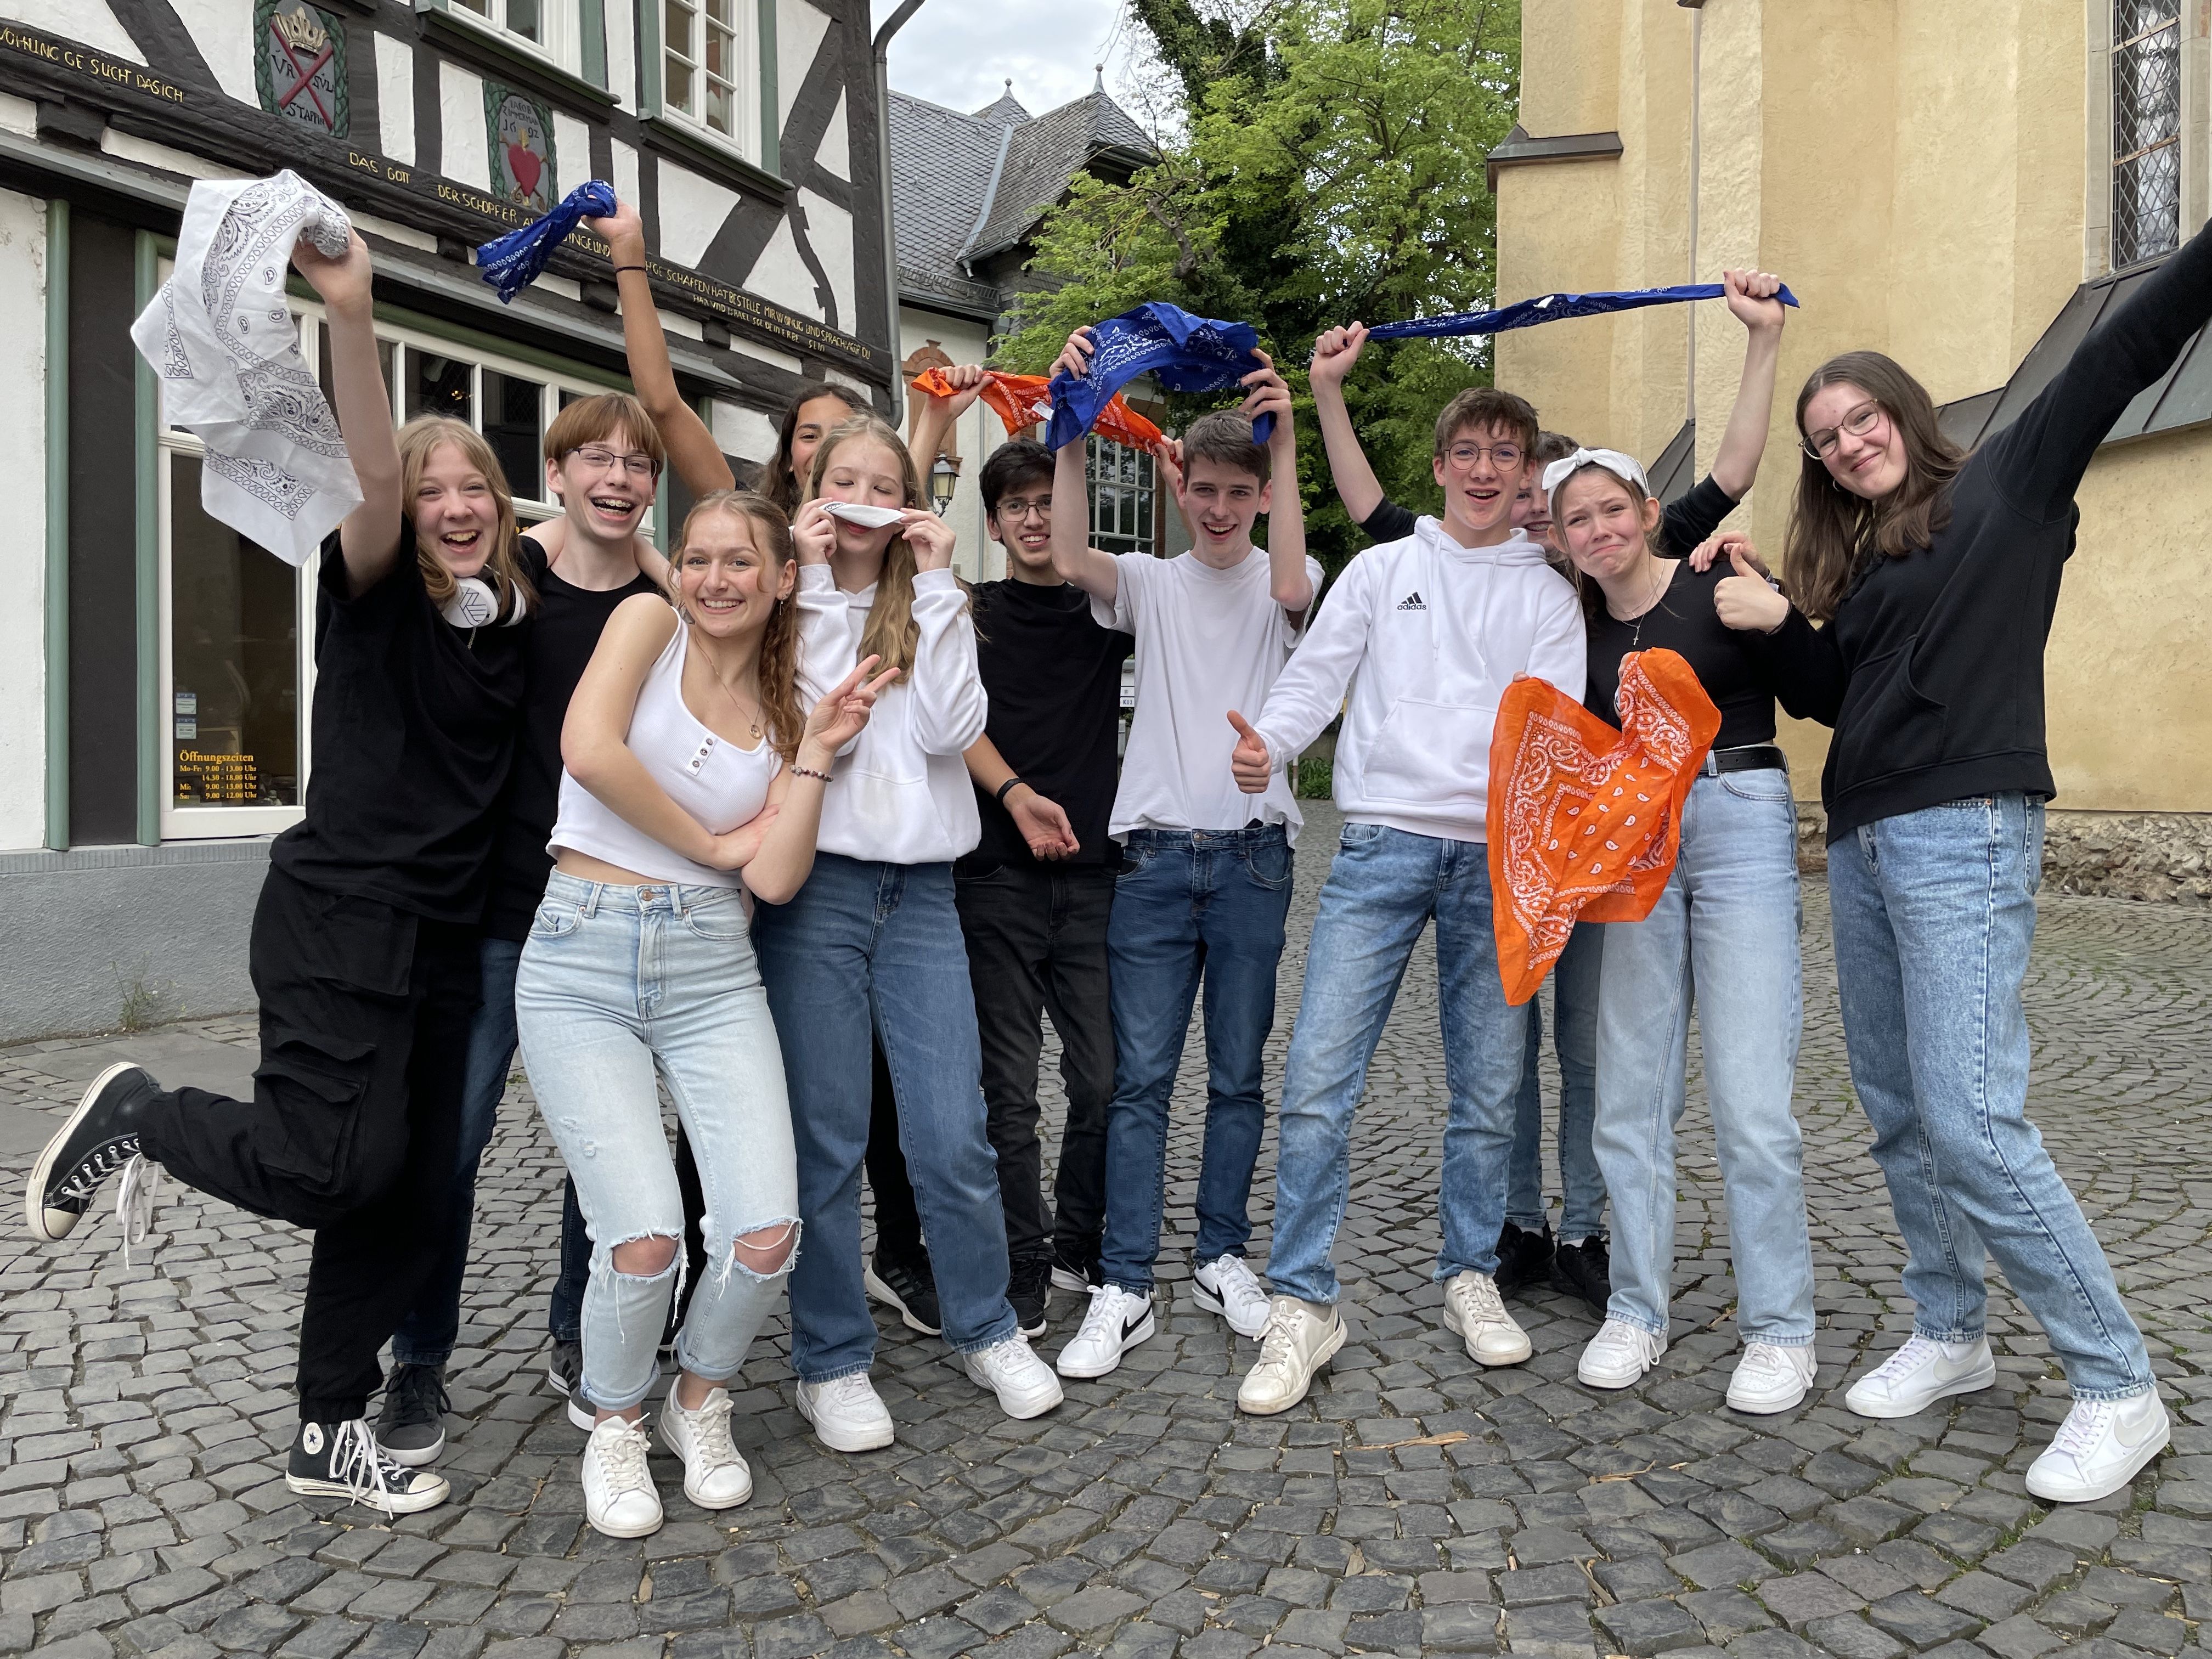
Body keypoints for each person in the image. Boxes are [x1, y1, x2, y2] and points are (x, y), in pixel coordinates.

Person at [26, 230, 531, 1513]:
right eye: (435, 492)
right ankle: (144, 1110)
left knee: (411, 1198)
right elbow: (365, 480)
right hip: (346, 918)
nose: (458, 507)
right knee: (330, 1171)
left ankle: (326, 1429)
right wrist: (351, 315)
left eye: (476, 485)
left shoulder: (502, 632)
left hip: (447, 949)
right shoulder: (374, 596)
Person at [1715, 218, 2212, 1502]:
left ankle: (2118, 1383)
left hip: (1966, 829)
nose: (1845, 441)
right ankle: (1953, 1332)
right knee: (1894, 1111)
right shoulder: (1865, 562)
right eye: (1825, 440)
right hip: (1870, 838)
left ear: (1902, 410)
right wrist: (1779, 621)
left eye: (1858, 417)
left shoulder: (2010, 479)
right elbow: (1835, 693)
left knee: (1973, 1117)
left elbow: (2129, 347)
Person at [1302, 272, 1787, 1313]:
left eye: (1545, 495)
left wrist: (1760, 344)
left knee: (1587, 1040)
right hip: (1517, 842)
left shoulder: (1615, 565)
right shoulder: (1496, 569)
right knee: (1506, 1050)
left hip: (1608, 843)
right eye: (1533, 502)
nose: (1534, 513)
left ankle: (1584, 1228)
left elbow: (1734, 471)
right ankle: (1516, 1224)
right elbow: (1371, 510)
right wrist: (1330, 396)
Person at [519, 488, 895, 1537]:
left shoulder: (790, 709)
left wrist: (818, 750)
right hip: (580, 950)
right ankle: (613, 1419)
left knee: (767, 1229)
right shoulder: (647, 624)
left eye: (741, 563)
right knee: (642, 1239)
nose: (714, 579)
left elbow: (774, 881)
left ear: (785, 580)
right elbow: (589, 752)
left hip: (711, 967)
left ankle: (699, 1396)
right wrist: (714, 846)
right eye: (698, 558)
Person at [1226, 384, 1583, 1415]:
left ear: (1527, 478)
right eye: (1465, 451)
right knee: (1320, 1077)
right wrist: (1272, 748)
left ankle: (1469, 1273)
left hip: (1493, 858)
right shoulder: (1385, 571)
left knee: (1488, 1089)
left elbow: (1552, 729)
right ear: (1438, 467)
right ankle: (1304, 1300)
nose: (1482, 471)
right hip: (1383, 843)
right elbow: (1314, 675)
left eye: (1503, 456)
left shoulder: (1549, 597)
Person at [752, 414, 1064, 1452]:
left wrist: (931, 583)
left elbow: (946, 729)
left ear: (908, 503)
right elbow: (811, 720)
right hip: (822, 893)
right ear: (814, 487)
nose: (862, 498)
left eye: (884, 484)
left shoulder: (936, 602)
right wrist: (811, 577)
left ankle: (985, 1324)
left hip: (925, 891)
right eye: (845, 479)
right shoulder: (783, 603)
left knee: (952, 1130)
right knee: (828, 1139)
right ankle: (830, 1359)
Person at [1046, 329, 1322, 1381]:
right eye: (1200, 488)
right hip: (1156, 861)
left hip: (1253, 861)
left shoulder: (1283, 577)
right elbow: (1071, 557)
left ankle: (1220, 1255)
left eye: (1235, 491)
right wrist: (1071, 429)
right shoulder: (1153, 585)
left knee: (1240, 1077)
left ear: (1256, 494)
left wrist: (1285, 442)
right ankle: (1124, 1280)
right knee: (1141, 1081)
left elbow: (1294, 592)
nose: (1216, 508)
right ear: (1184, 488)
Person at [1543, 437, 1834, 1415]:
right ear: (1565, 538)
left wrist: (1784, 611)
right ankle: (1636, 1308)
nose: (1599, 531)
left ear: (1649, 511)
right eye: (1578, 520)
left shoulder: (1717, 582)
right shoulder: (1577, 630)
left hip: (1740, 813)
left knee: (1753, 1100)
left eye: (1611, 510)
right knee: (1631, 1091)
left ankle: (1781, 1330)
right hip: (1637, 842)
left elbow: (1818, 690)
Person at [935, 421, 1128, 1329]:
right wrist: (1010, 795)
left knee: (1100, 1080)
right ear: (995, 522)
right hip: (995, 881)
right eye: (1016, 505)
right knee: (1005, 1090)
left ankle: (1081, 1242)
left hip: (1093, 881)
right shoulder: (971, 614)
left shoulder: (1107, 615)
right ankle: (1023, 1256)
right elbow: (946, 716)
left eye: (1049, 501)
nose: (1035, 518)